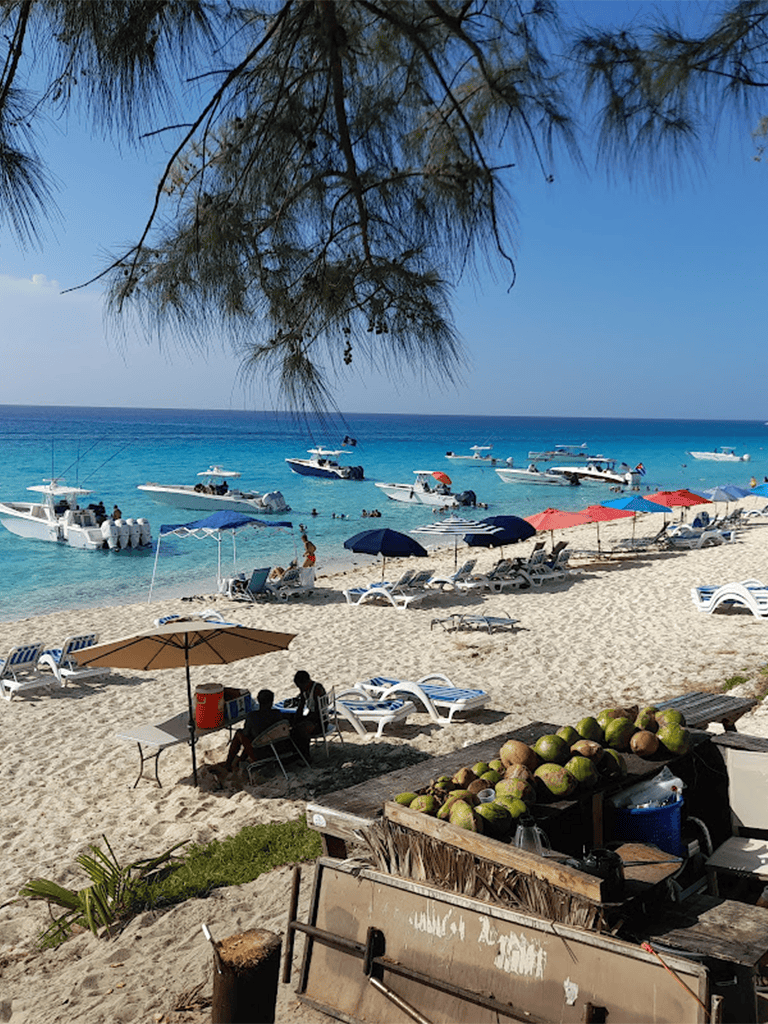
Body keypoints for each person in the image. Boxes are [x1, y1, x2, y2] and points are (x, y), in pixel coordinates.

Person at [225, 689, 286, 771]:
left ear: (259, 701)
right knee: (253, 735)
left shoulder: (253, 716)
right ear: (271, 701)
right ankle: (241, 759)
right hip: (278, 749)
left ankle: (228, 764)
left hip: (261, 753)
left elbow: (246, 733)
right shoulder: (277, 713)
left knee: (240, 733)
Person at [287, 670, 326, 760]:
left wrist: (301, 721)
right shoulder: (305, 690)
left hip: (320, 721)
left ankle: (305, 756)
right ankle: (297, 752)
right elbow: (301, 706)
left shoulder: (317, 690)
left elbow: (317, 713)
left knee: (300, 730)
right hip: (313, 717)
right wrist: (295, 719)